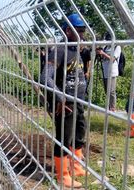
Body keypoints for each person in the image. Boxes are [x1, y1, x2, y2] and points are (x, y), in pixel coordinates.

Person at [40, 13, 87, 188]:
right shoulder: (59, 50)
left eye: (83, 31)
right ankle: (63, 174)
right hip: (64, 103)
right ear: (68, 30)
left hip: (79, 100)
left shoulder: (77, 49)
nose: (83, 34)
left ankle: (76, 166)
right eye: (79, 31)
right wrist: (62, 98)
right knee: (64, 138)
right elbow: (45, 77)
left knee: (79, 133)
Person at [96, 33, 121, 111]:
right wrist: (99, 53)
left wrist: (103, 53)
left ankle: (113, 107)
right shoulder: (106, 46)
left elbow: (113, 59)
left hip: (112, 72)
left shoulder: (117, 47)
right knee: (107, 90)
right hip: (105, 71)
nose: (107, 41)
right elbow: (103, 57)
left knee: (111, 91)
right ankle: (108, 106)